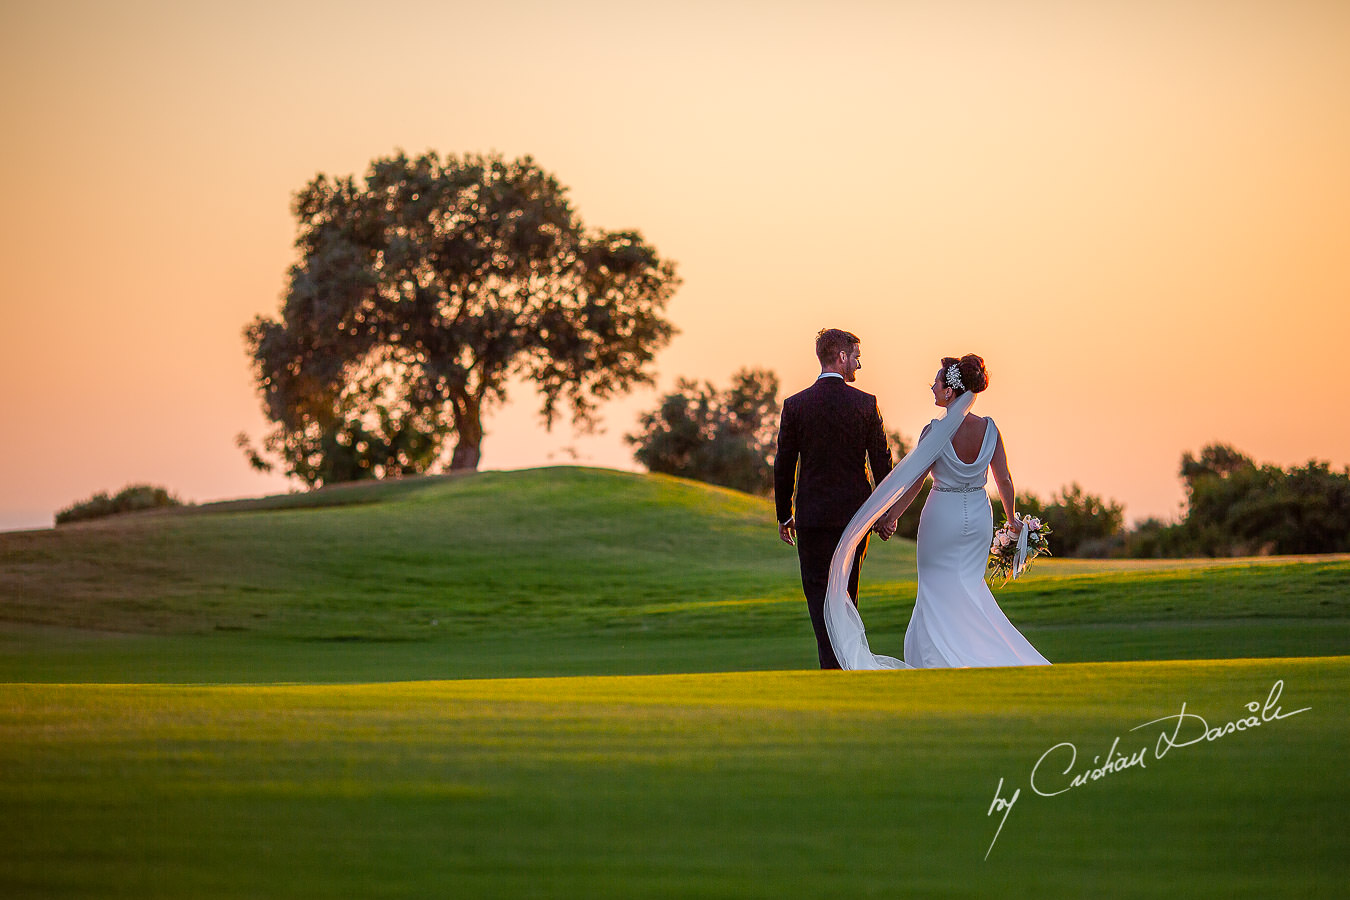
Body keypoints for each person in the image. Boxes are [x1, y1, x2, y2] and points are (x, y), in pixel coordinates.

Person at [870, 354, 1049, 668]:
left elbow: (915, 482)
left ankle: (941, 657)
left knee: (935, 586)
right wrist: (1012, 519)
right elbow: (1004, 479)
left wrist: (892, 516)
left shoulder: (935, 431)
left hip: (943, 514)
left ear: (950, 390)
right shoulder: (990, 429)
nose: (933, 390)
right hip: (979, 515)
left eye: (936, 384)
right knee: (967, 585)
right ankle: (976, 653)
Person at [774, 328, 894, 669]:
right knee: (846, 596)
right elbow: (882, 462)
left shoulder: (795, 405)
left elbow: (784, 464)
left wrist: (785, 514)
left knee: (817, 595)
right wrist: (885, 514)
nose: (858, 364)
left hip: (811, 519)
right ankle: (843, 665)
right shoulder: (865, 404)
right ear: (841, 357)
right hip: (855, 520)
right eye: (856, 356)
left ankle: (832, 666)